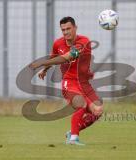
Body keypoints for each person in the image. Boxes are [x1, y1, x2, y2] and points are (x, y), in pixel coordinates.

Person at [29, 16, 103, 146]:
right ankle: (74, 139)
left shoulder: (84, 41)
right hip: (69, 82)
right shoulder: (58, 43)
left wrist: (42, 63)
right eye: (63, 30)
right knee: (81, 104)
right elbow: (54, 57)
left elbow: (66, 57)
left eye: (68, 28)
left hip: (84, 83)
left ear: (75, 28)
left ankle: (72, 132)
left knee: (97, 111)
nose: (65, 32)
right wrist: (45, 69)